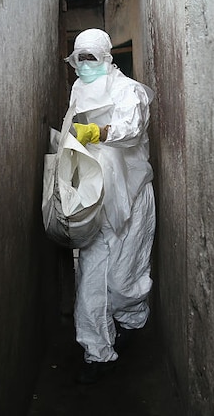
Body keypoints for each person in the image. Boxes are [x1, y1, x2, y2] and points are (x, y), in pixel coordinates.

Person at [63, 28, 156, 384]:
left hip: (130, 195)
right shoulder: (78, 89)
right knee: (90, 273)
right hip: (93, 194)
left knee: (123, 276)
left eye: (91, 57)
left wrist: (99, 133)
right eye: (79, 58)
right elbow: (72, 127)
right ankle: (96, 348)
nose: (84, 65)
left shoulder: (128, 90)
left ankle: (132, 319)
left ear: (106, 56)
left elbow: (131, 130)